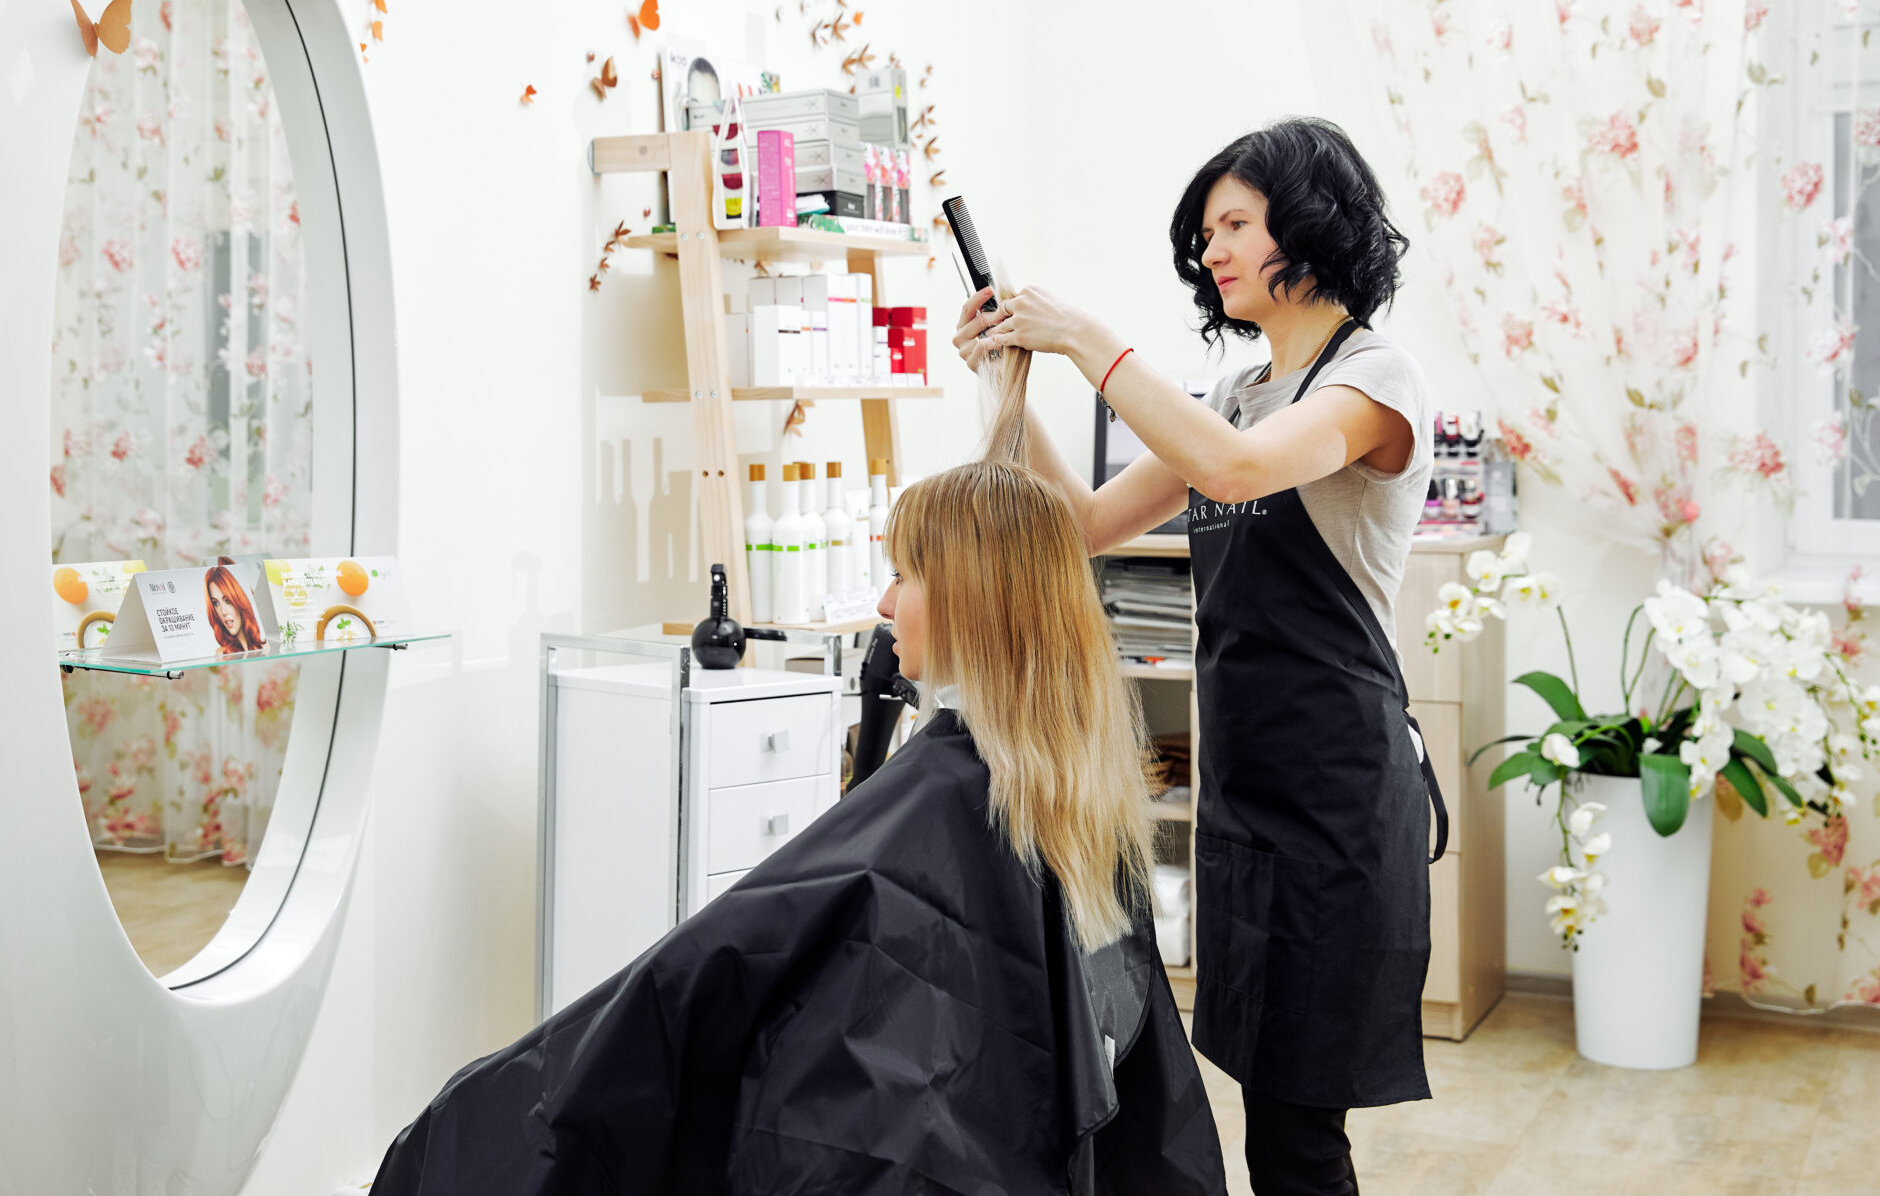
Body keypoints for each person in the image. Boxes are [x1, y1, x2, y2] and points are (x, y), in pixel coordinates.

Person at [369, 461, 1225, 1195]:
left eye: (905, 576)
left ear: (969, 601)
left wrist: (474, 1118)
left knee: (487, 1121)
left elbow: (695, 979)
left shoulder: (948, 798)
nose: (884, 601)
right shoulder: (1078, 787)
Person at [955, 117, 1439, 1195]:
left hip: (1338, 804)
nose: (1211, 250)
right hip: (1245, 795)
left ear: (1308, 225)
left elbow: (1233, 472)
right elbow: (1083, 525)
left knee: (1299, 1135)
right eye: (1206, 232)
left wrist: (1087, 339)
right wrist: (1008, 380)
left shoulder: (1374, 381)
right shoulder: (1233, 397)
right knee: (1264, 1109)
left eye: (1234, 225)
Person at [203, 564, 266, 655]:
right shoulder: (221, 654)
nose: (223, 612)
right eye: (216, 603)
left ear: (238, 600)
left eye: (227, 601)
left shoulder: (265, 647)